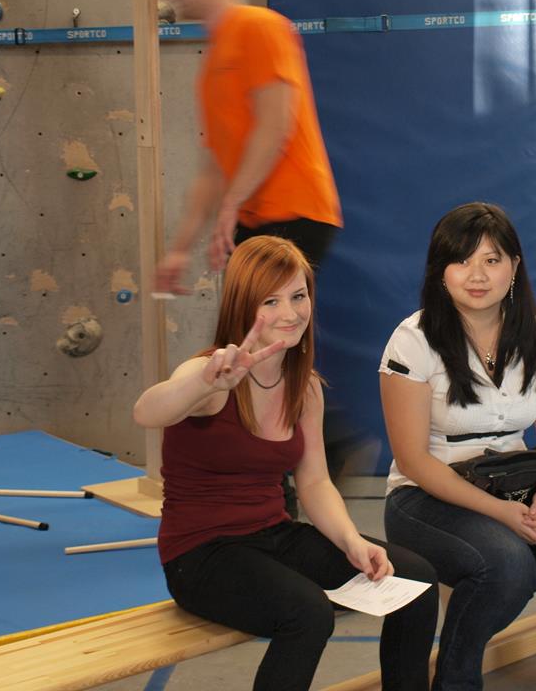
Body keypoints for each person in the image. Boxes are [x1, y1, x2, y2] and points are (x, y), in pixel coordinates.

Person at [133, 236, 437, 691]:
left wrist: (351, 541)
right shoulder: (211, 373)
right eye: (270, 301)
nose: (290, 313)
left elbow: (314, 482)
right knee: (307, 613)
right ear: (243, 306)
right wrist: (205, 383)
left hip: (274, 535)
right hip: (200, 555)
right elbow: (147, 412)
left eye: (298, 296)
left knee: (416, 579)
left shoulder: (305, 386)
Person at [380, 202, 536, 691]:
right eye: (462, 260)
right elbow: (413, 460)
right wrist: (502, 513)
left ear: (514, 267)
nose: (477, 275)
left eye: (491, 260)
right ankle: (455, 681)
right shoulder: (413, 340)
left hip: (515, 484)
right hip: (425, 496)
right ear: (440, 269)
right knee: (508, 568)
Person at [156, 0, 342, 293]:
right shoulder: (213, 62)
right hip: (253, 217)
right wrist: (179, 250)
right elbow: (214, 168)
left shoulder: (259, 27)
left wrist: (231, 204)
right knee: (244, 323)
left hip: (294, 211)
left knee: (264, 322)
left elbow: (275, 125)